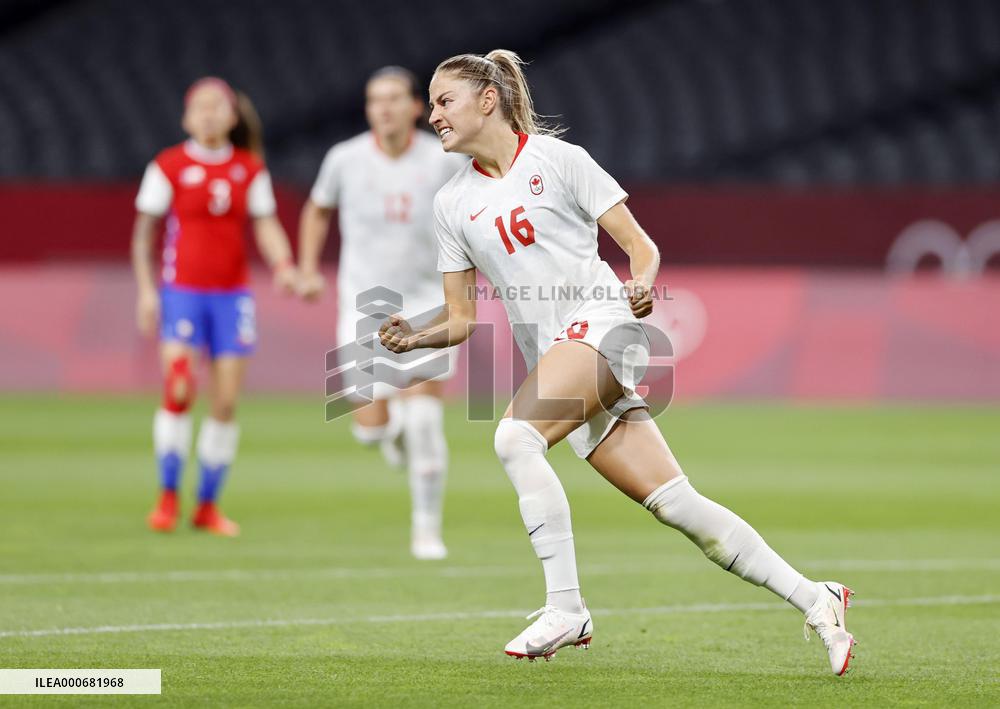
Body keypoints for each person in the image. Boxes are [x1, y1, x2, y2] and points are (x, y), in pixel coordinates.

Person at [379, 50, 856, 675]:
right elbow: (461, 318)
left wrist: (642, 282)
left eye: (444, 101)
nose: (434, 115)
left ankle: (567, 607)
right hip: (558, 356)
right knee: (678, 505)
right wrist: (415, 337)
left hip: (604, 324)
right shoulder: (452, 204)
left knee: (516, 438)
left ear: (487, 100)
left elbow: (641, 247)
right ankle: (817, 598)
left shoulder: (558, 160)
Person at [298, 67, 466, 560]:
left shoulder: (443, 160)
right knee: (371, 430)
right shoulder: (344, 159)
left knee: (425, 421)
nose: (385, 108)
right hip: (363, 305)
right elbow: (316, 210)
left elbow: (472, 210)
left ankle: (426, 530)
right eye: (376, 100)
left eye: (395, 98)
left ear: (417, 107)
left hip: (428, 303)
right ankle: (387, 435)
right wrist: (308, 268)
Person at [132, 77, 297, 537]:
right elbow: (144, 234)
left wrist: (283, 265)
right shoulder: (168, 165)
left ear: (231, 116)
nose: (207, 114)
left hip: (232, 297)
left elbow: (265, 225)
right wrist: (147, 291)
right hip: (182, 291)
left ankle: (206, 504)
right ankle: (167, 497)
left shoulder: (248, 168)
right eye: (199, 107)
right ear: (187, 117)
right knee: (180, 387)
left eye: (216, 107)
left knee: (224, 403)